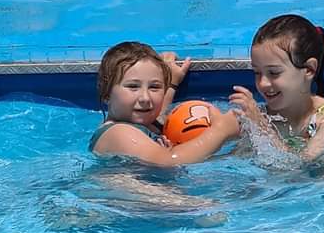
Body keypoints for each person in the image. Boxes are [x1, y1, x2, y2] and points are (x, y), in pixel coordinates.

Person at [231, 14, 324, 164]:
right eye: (257, 72)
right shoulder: (258, 116)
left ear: (309, 70)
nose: (262, 83)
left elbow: (302, 164)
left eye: (274, 73)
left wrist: (262, 128)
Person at [91, 40, 240, 164]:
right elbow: (169, 160)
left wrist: (172, 83)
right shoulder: (117, 133)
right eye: (133, 87)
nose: (145, 98)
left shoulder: (145, 122)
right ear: (106, 94)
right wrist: (221, 130)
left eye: (154, 87)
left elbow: (160, 115)